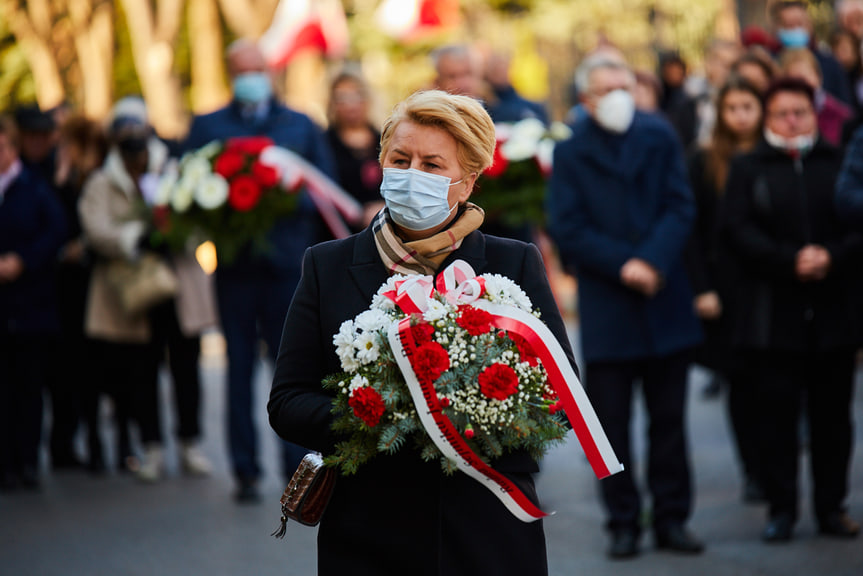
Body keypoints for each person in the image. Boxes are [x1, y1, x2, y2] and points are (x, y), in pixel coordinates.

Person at [268, 90, 576, 575]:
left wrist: (470, 413)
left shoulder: (514, 263)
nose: (412, 175)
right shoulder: (326, 266)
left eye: (433, 165)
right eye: (400, 159)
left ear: (468, 181)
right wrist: (381, 413)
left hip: (488, 528)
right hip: (369, 531)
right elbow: (287, 402)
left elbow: (560, 398)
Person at [546, 53, 704, 559]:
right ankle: (622, 521)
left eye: (626, 85)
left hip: (664, 298)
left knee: (670, 423)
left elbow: (680, 205)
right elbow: (567, 226)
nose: (620, 95)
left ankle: (673, 518)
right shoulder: (571, 152)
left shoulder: (658, 135)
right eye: (608, 88)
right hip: (610, 305)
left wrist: (653, 260)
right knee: (610, 427)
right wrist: (624, 265)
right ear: (587, 100)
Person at [184, 39, 335, 502]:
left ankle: (295, 469)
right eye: (240, 69)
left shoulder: (300, 124)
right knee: (238, 367)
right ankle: (244, 470)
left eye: (257, 68)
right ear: (230, 74)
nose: (250, 75)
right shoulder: (208, 125)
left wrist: (282, 193)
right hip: (235, 268)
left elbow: (322, 190)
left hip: (288, 267)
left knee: (290, 370)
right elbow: (187, 190)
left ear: (269, 71)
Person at [721, 77, 861, 542]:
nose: (791, 121)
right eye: (782, 113)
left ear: (813, 112)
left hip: (833, 311)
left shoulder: (838, 160)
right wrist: (789, 260)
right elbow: (737, 230)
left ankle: (831, 508)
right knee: (776, 420)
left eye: (799, 112)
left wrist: (831, 256)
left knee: (833, 421)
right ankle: (782, 509)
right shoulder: (747, 166)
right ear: (769, 117)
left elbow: (856, 224)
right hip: (772, 315)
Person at [80, 106, 216, 482]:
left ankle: (190, 443)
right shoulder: (101, 182)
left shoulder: (174, 169)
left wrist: (174, 231)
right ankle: (152, 447)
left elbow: (201, 218)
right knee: (141, 370)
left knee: (186, 367)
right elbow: (96, 229)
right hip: (136, 291)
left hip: (179, 285)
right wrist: (136, 238)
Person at [684, 76, 765, 501]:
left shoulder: (773, 155)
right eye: (731, 107)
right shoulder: (705, 160)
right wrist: (702, 287)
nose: (740, 116)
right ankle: (753, 468)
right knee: (742, 382)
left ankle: (777, 467)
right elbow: (693, 228)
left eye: (748, 106)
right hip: (727, 286)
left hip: (773, 281)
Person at [0, 114, 67, 491]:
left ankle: (26, 460)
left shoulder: (34, 186)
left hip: (31, 306)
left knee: (28, 387)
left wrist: (22, 261)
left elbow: (55, 231)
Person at [50, 115, 108, 472]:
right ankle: (67, 442)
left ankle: (96, 442)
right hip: (64, 290)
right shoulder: (58, 177)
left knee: (92, 371)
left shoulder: (96, 176)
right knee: (66, 371)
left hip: (93, 285)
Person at [325, 68, 384, 230]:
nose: (350, 105)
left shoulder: (386, 140)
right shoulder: (324, 143)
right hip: (338, 232)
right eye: (342, 98)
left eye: (356, 96)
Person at [770, 0, 853, 105]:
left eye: (800, 24)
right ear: (778, 28)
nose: (795, 29)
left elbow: (845, 105)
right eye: (789, 25)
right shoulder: (771, 61)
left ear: (809, 25)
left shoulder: (830, 63)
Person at [669, 39, 741, 150]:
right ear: (708, 62)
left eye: (730, 65)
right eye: (719, 61)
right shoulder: (690, 94)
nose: (723, 69)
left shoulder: (740, 97)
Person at [780, 48, 854, 146]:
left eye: (805, 78)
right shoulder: (777, 116)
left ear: (818, 77)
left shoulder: (841, 116)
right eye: (793, 80)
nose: (801, 85)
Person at [484, 51, 550, 124]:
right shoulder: (484, 106)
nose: (501, 72)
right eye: (496, 69)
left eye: (503, 67)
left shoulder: (533, 107)